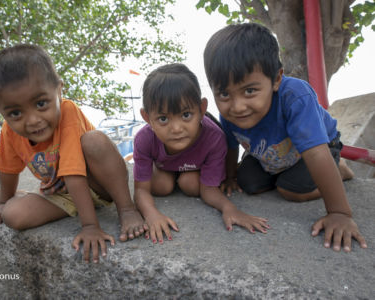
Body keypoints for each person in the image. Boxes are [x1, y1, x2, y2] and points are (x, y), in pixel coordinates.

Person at [203, 23, 367, 252]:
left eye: (250, 91)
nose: (237, 106)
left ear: (277, 78)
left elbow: (316, 153)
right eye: (224, 94)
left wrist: (339, 213)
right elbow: (231, 146)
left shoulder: (295, 97)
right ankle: (279, 177)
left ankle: (338, 169)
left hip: (316, 149)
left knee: (290, 190)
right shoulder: (227, 113)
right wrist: (230, 176)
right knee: (247, 183)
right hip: (270, 155)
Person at [0, 44, 147, 263]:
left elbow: (74, 173)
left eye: (41, 104)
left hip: (98, 183)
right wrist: (6, 198)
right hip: (62, 193)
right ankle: (22, 196)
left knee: (94, 141)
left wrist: (90, 226)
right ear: (0, 112)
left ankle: (126, 208)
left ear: (59, 90)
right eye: (15, 113)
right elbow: (8, 169)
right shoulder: (9, 131)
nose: (32, 120)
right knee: (13, 215)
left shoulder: (68, 113)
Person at [133, 63, 269, 244]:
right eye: (163, 119)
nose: (176, 128)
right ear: (147, 118)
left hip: (193, 171)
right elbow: (141, 189)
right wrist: (151, 215)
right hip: (164, 169)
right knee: (161, 187)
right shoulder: (144, 139)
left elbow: (208, 189)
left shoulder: (214, 138)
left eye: (186, 115)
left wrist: (229, 208)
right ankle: (169, 176)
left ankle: (182, 177)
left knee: (190, 184)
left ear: (202, 108)